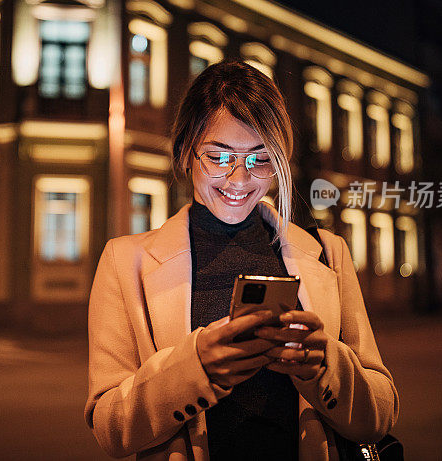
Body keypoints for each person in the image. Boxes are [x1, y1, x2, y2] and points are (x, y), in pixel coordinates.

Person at [85, 60, 398, 460]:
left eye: (259, 158)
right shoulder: (125, 261)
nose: (239, 179)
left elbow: (382, 412)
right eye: (218, 157)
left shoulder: (327, 252)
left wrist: (324, 367)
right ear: (186, 152)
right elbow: (111, 428)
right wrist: (195, 368)